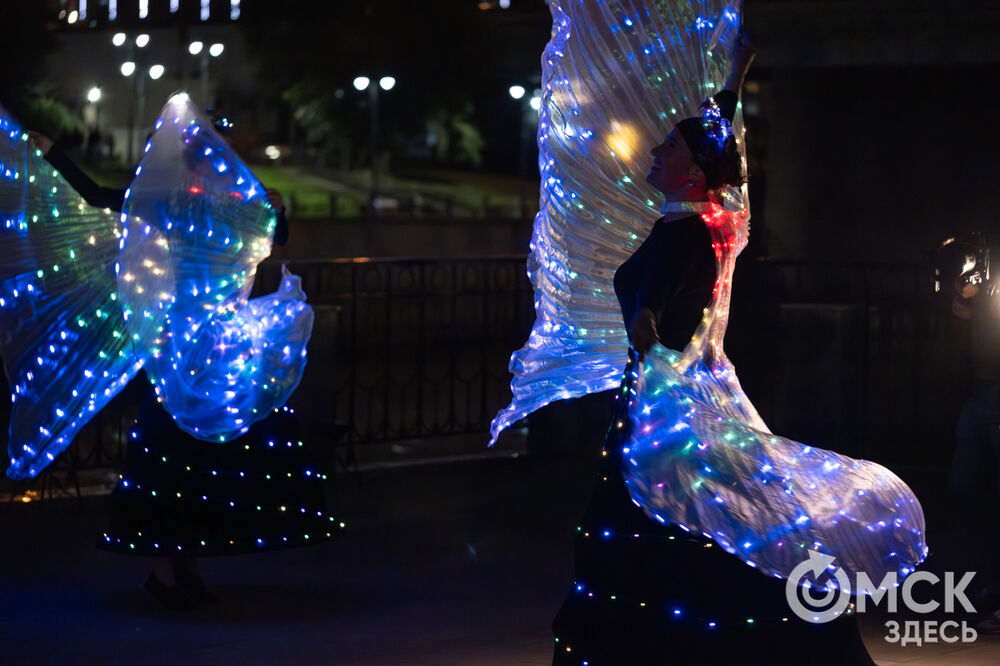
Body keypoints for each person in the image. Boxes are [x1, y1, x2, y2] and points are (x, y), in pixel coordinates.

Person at [550, 32, 878, 665]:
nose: (656, 150)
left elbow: (666, 295)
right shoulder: (695, 218)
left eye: (669, 147)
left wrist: (646, 315)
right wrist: (734, 75)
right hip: (671, 395)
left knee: (664, 526)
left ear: (694, 173)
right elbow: (713, 139)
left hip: (665, 403)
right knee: (695, 520)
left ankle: (675, 644)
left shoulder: (688, 236)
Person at [28, 117, 336, 611]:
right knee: (169, 457)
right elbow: (100, 196)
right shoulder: (165, 202)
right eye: (213, 153)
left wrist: (278, 210)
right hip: (174, 349)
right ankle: (164, 571)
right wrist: (53, 154)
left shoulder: (234, 203)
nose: (220, 163)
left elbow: (275, 237)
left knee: (204, 462)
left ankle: (185, 565)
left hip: (219, 349)